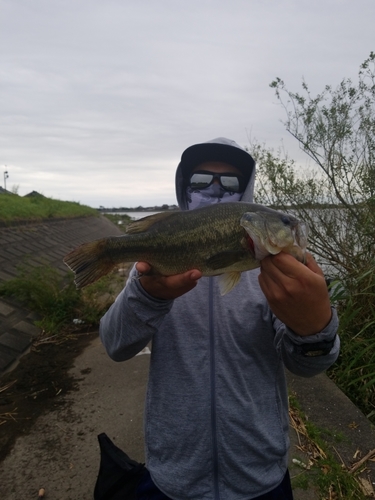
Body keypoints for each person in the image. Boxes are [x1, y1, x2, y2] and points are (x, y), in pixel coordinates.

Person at [99, 137, 339, 500]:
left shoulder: (276, 274)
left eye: (229, 183)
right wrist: (148, 295)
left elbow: (307, 366)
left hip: (260, 476)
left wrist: (315, 328)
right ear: (184, 187)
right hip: (173, 476)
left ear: (247, 195)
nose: (214, 189)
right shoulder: (151, 268)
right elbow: (115, 344)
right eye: (200, 180)